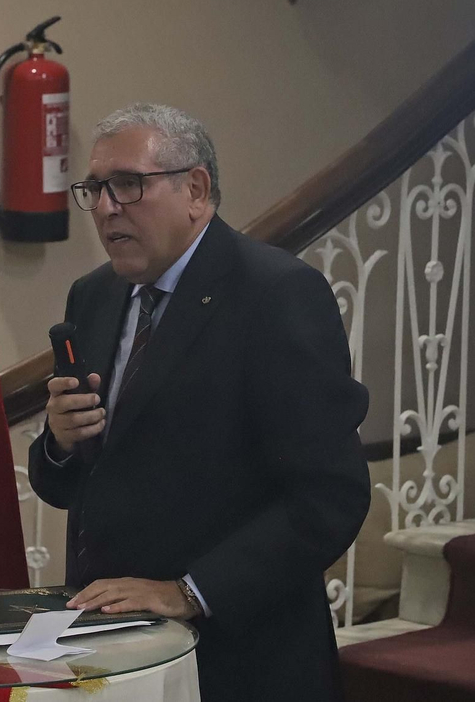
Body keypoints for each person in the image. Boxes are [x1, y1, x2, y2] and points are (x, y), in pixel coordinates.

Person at [28, 104, 370, 702]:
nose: (107, 208)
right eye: (96, 190)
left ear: (196, 189)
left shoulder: (276, 294)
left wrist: (188, 591)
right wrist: (59, 441)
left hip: (241, 658)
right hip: (112, 652)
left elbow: (330, 496)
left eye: (129, 185)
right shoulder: (94, 296)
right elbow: (68, 485)